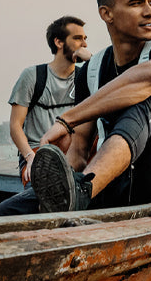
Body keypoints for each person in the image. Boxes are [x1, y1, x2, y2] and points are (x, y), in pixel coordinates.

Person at [30, 0, 151, 212]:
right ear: (106, 13)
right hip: (122, 180)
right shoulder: (92, 71)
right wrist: (53, 193)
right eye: (136, 3)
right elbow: (79, 149)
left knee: (144, 100)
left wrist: (67, 119)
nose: (149, 12)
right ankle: (74, 193)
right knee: (4, 213)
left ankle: (83, 191)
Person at [8, 16, 91, 186]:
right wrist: (30, 156)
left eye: (85, 39)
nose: (84, 44)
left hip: (73, 153)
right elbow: (15, 126)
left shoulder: (85, 76)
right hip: (38, 152)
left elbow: (115, 87)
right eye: (77, 38)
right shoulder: (33, 76)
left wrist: (92, 60)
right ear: (59, 42)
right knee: (44, 191)